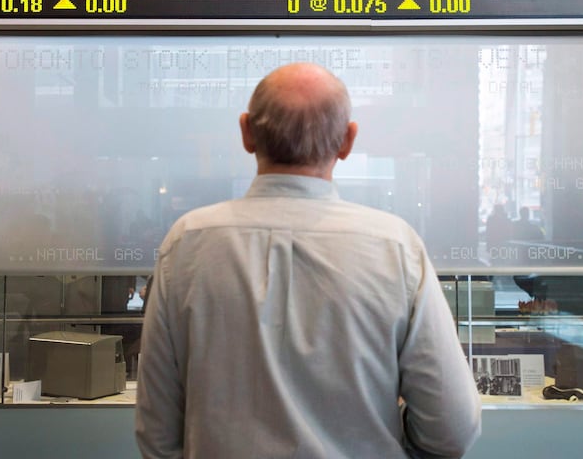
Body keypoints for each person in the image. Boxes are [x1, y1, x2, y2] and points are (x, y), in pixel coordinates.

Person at [135, 63, 481, 459]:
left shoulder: (187, 243)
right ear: (347, 141)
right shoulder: (395, 248)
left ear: (246, 132)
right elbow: (452, 429)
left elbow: (157, 432)